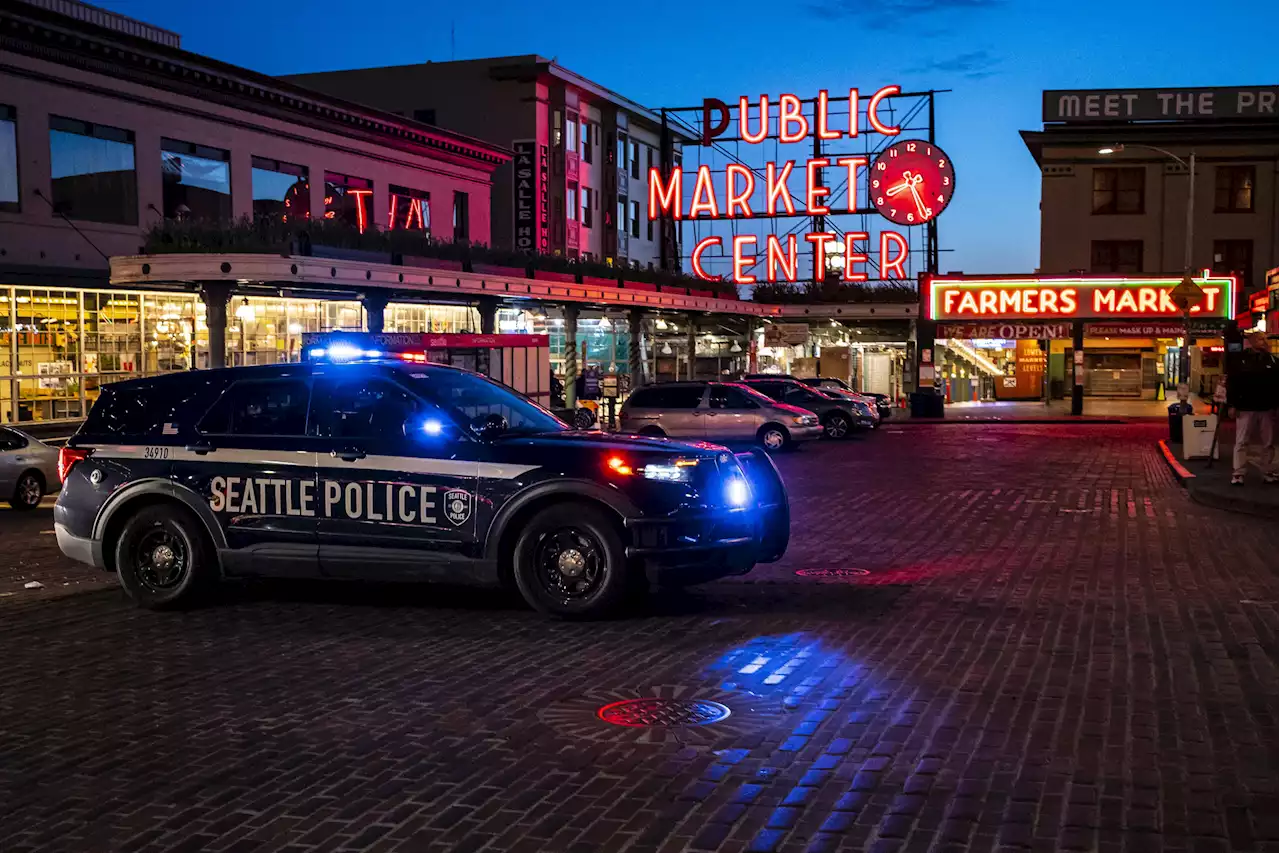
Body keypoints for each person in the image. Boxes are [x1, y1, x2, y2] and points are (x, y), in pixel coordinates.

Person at [1226, 331, 1280, 485]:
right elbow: (1234, 384)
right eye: (1260, 339)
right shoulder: (1241, 360)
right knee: (1242, 441)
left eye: (1265, 339)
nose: (1264, 341)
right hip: (1246, 407)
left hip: (1266, 408)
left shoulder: (1273, 361)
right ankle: (1238, 472)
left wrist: (1276, 405)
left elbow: (1277, 386)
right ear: (1252, 341)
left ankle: (1267, 471)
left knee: (1268, 443)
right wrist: (1232, 404)